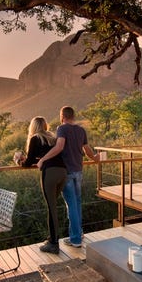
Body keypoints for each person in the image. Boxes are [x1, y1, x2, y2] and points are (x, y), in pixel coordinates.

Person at [37, 106, 99, 248]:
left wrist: (43, 159)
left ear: (62, 116)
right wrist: (95, 158)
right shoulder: (81, 130)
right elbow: (87, 149)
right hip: (78, 170)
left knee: (71, 205)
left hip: (68, 172)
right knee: (76, 203)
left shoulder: (62, 128)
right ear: (73, 116)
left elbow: (59, 147)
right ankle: (78, 233)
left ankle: (76, 239)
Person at [15, 116, 66, 254]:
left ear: (33, 127)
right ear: (45, 125)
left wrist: (19, 161)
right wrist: (37, 159)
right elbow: (46, 155)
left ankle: (54, 243)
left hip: (50, 173)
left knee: (51, 207)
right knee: (53, 205)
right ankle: (52, 238)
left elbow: (28, 162)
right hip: (63, 172)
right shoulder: (52, 137)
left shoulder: (35, 138)